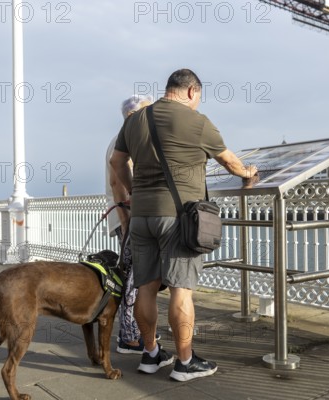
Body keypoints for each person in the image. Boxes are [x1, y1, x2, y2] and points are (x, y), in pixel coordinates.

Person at [110, 68, 258, 381]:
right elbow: (229, 161)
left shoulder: (136, 120)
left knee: (146, 288)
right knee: (181, 291)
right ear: (191, 92)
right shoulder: (197, 121)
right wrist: (247, 173)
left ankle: (150, 355)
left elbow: (117, 162)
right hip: (177, 218)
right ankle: (185, 361)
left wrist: (134, 192)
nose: (197, 104)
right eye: (198, 98)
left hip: (141, 218)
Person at [105, 94, 158, 354]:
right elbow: (118, 184)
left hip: (130, 216)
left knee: (136, 277)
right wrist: (126, 222)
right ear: (134, 115)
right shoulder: (124, 142)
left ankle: (136, 329)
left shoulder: (121, 138)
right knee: (133, 278)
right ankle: (128, 336)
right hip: (129, 217)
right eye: (148, 111)